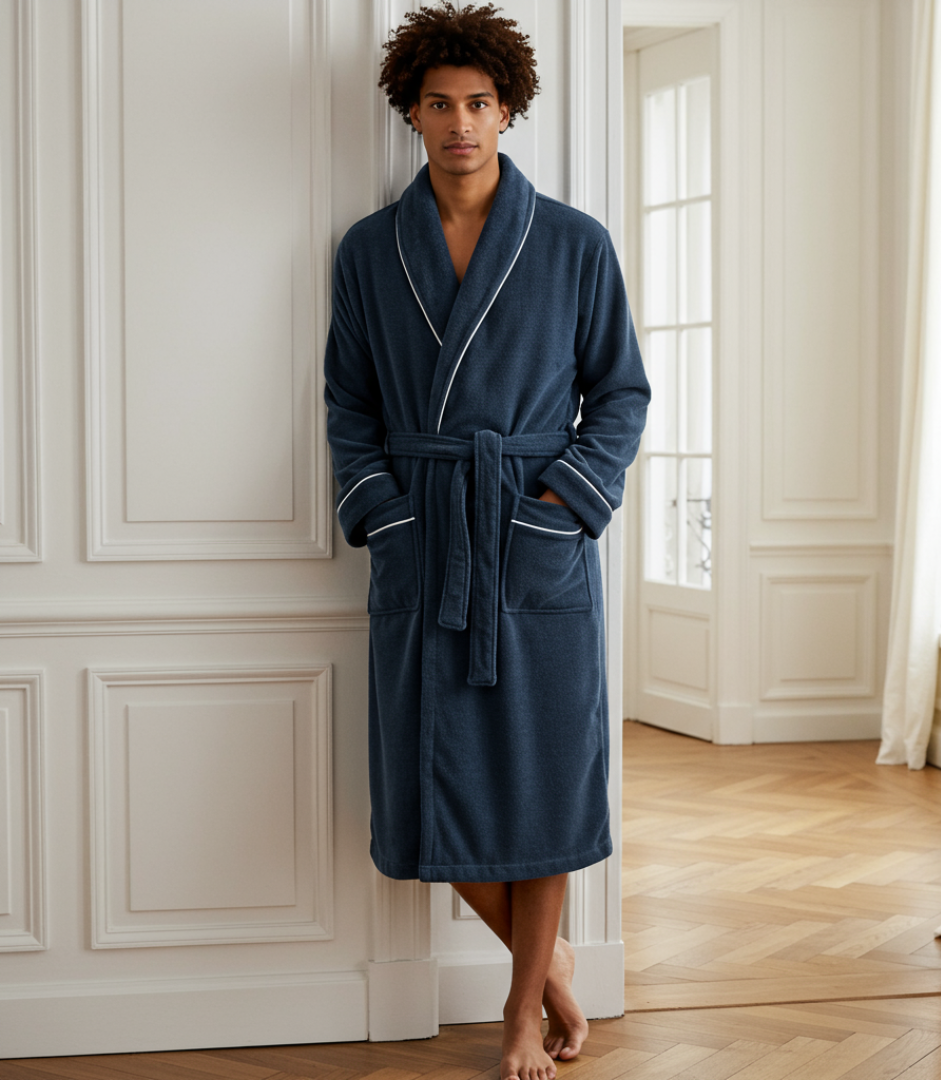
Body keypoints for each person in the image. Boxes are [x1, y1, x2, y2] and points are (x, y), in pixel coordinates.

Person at [324, 5, 649, 1078]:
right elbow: (349, 404)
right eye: (440, 104)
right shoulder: (370, 250)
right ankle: (550, 974)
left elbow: (621, 394)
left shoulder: (574, 243)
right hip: (427, 536)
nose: (460, 123)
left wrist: (561, 503)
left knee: (544, 782)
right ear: (411, 113)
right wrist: (387, 513)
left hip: (534, 536)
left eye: (479, 103)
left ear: (508, 110)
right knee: (430, 784)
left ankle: (519, 1015)